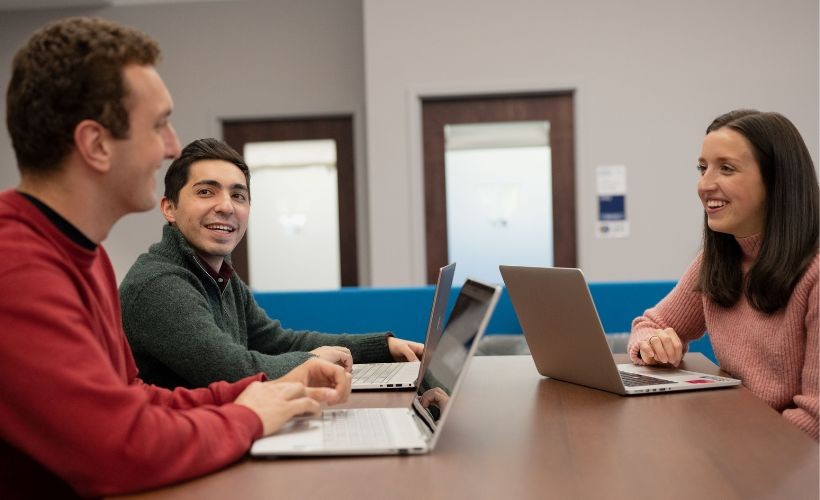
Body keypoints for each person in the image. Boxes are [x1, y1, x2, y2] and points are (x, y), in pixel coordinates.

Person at [0, 17, 351, 498]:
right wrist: (248, 416)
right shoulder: (17, 270)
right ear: (97, 145)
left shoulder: (87, 256)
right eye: (159, 124)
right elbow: (118, 448)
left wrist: (253, 392)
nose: (170, 146)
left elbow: (134, 400)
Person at [119, 138, 424, 389]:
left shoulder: (221, 277)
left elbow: (279, 342)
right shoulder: (159, 285)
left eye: (238, 195)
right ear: (169, 208)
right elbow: (232, 372)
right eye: (205, 192)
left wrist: (381, 347)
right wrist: (312, 362)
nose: (226, 206)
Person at [627, 109, 819, 439]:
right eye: (703, 168)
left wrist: (730, 448)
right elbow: (650, 324)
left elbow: (814, 421)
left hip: (783, 454)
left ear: (777, 181)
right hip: (737, 437)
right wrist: (653, 345)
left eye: (726, 168)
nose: (705, 185)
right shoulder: (717, 259)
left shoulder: (813, 273)